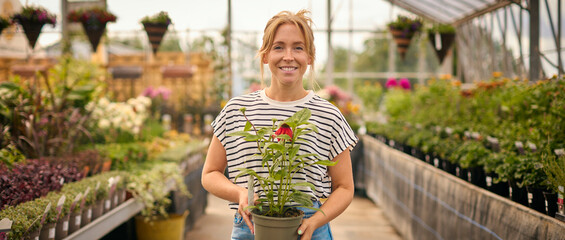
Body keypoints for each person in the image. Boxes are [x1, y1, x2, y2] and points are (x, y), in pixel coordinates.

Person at [201, 9, 358, 240]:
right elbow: (210, 173)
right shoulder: (237, 110)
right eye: (278, 47)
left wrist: (316, 220)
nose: (288, 56)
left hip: (309, 227)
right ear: (265, 55)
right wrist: (240, 193)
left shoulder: (329, 115)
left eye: (298, 47)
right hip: (251, 226)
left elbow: (345, 187)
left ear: (310, 57)